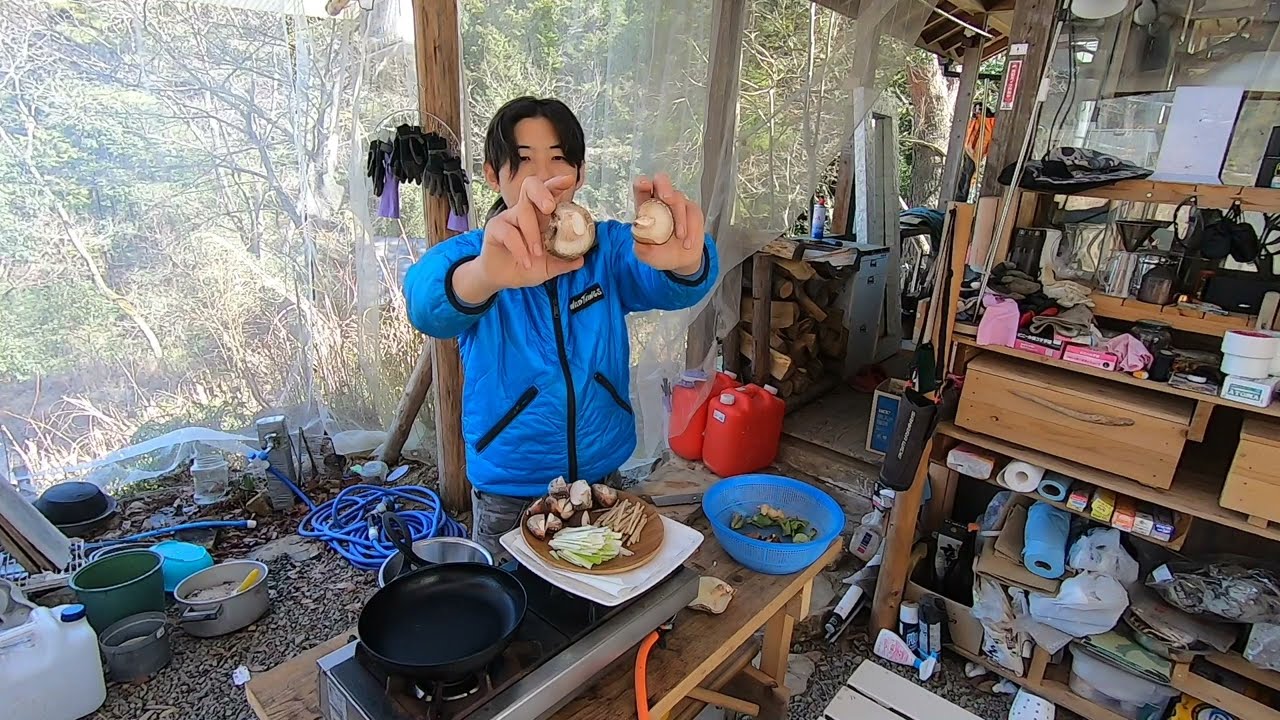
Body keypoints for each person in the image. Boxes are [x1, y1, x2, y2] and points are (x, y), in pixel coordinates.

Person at [402, 97, 719, 558]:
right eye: (524, 159)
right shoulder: (477, 253)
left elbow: (671, 284)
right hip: (510, 489)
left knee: (599, 599)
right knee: (512, 606)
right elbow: (426, 303)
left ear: (579, 172)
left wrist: (687, 258)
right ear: (493, 174)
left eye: (557, 158)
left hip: (602, 475)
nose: (543, 174)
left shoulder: (605, 249)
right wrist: (487, 275)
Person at [955, 104, 996, 201]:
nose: (976, 112)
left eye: (979, 110)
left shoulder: (987, 122)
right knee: (966, 177)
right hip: (971, 151)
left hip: (976, 153)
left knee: (969, 176)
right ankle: (961, 199)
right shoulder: (976, 120)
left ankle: (963, 200)